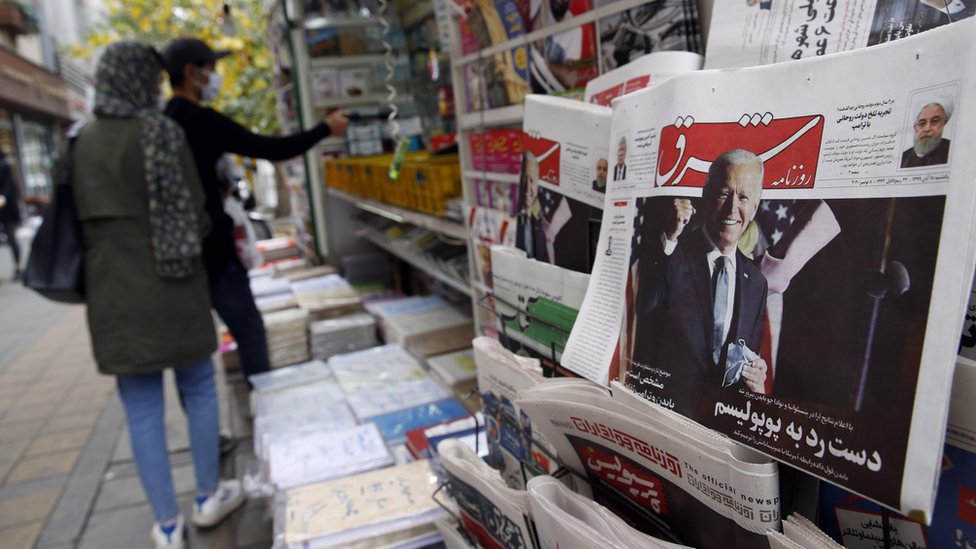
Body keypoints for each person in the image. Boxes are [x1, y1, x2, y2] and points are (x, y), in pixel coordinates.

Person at [73, 41, 243, 549]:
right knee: (198, 387)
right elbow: (194, 211)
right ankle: (208, 497)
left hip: (113, 290)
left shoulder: (80, 141)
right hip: (175, 282)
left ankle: (167, 525)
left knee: (141, 409)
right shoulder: (162, 133)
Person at [161, 38, 348, 384]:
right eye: (210, 69)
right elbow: (268, 148)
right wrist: (325, 129)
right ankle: (265, 402)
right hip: (214, 250)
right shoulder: (200, 120)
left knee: (194, 354)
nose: (214, 78)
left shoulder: (163, 121)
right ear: (191, 72)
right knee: (248, 330)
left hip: (177, 253)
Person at [631, 149, 769, 414]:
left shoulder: (757, 284)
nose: (732, 208)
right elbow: (644, 308)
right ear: (706, 197)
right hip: (665, 415)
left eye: (742, 197)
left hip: (719, 426)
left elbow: (745, 358)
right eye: (723, 193)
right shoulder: (674, 250)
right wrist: (669, 240)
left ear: (754, 208)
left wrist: (756, 377)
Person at [900, 100, 952, 168]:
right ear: (915, 127)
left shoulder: (952, 149)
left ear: (943, 123)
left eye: (934, 121)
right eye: (922, 123)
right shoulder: (903, 157)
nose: (927, 129)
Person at [0, 148, 21, 280]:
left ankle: (18, 267)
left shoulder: (5, 166)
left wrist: (3, 198)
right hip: (5, 206)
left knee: (11, 237)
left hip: (7, 208)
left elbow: (10, 186)